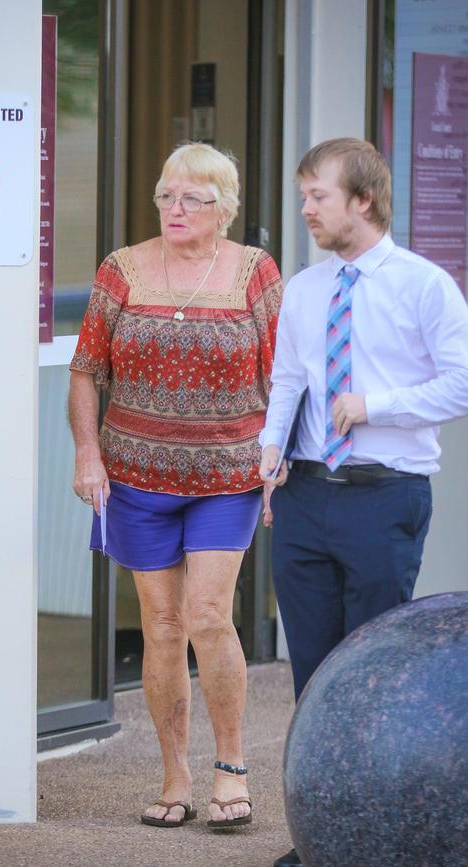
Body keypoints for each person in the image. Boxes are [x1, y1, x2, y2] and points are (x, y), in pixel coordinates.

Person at [259, 137, 468, 867]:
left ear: (363, 200)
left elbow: (461, 383)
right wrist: (269, 451)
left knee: (376, 676)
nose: (307, 209)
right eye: (304, 196)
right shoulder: (305, 289)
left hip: (385, 498)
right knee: (313, 674)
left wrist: (374, 404)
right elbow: (288, 379)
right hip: (307, 495)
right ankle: (321, 838)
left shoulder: (425, 286)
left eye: (318, 195)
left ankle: (383, 844)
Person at [68, 142, 282, 830]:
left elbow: (286, 378)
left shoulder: (254, 271)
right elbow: (83, 371)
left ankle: (230, 765)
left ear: (225, 208)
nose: (175, 208)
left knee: (207, 617)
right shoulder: (121, 269)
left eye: (193, 197)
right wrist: (87, 455)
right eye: (166, 195)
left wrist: (279, 470)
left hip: (228, 476)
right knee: (160, 627)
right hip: (136, 478)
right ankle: (174, 773)